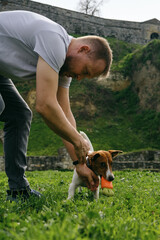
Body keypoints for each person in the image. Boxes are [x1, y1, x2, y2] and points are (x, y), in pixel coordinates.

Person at [0, 10, 112, 201]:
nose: (78, 78)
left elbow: (64, 113)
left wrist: (79, 164)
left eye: (85, 77)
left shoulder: (62, 67)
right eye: (84, 71)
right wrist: (78, 142)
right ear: (83, 49)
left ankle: (18, 190)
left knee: (19, 115)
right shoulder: (54, 40)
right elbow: (45, 105)